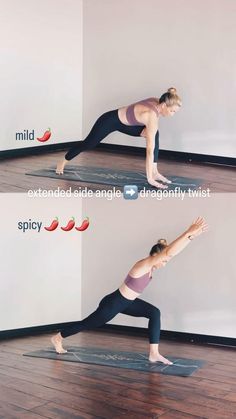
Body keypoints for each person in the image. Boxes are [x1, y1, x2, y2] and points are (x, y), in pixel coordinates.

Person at [51, 217, 208, 364]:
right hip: (113, 303)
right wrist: (188, 232)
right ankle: (58, 337)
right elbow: (169, 252)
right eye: (164, 260)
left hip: (127, 302)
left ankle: (154, 353)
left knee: (154, 312)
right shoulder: (144, 265)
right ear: (156, 256)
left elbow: (171, 253)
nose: (165, 263)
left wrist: (191, 238)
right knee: (87, 324)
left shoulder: (152, 267)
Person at [56, 88, 182, 189]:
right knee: (89, 144)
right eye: (173, 111)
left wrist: (152, 169)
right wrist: (149, 179)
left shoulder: (157, 101)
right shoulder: (151, 117)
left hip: (126, 124)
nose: (173, 115)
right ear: (164, 105)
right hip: (110, 120)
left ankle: (155, 170)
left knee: (155, 134)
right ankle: (63, 160)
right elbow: (150, 150)